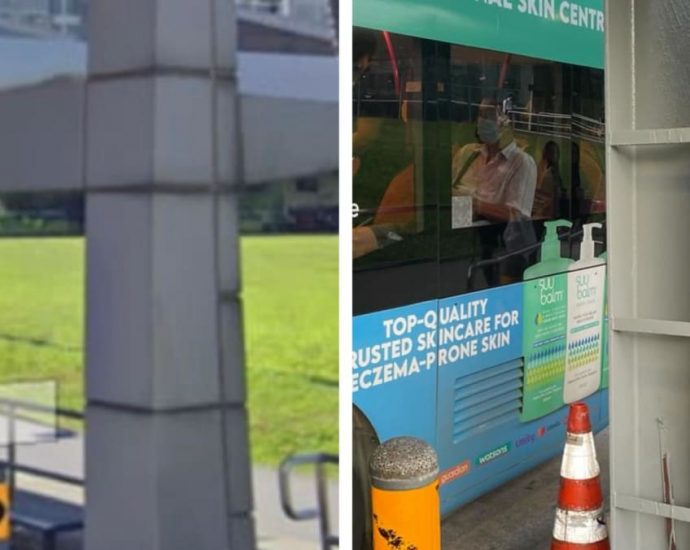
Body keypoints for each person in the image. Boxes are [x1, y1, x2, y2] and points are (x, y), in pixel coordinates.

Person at [452, 97, 537, 283]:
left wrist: (475, 206)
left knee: (502, 303)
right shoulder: (468, 154)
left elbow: (516, 215)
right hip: (473, 247)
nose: (483, 120)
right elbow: (454, 200)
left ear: (507, 121)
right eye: (480, 114)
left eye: (490, 115)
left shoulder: (522, 162)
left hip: (510, 253)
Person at [533, 140, 562, 220]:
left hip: (547, 212)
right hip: (543, 211)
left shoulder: (553, 172)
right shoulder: (542, 169)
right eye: (551, 152)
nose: (554, 155)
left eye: (555, 153)